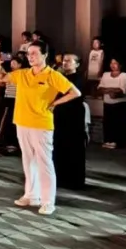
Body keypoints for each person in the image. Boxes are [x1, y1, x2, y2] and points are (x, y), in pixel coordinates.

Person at [0, 42, 81, 215]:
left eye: (34, 53)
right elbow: (1, 78)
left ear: (44, 55)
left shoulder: (53, 75)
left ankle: (48, 201)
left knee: (44, 162)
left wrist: (55, 103)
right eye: (28, 54)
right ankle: (31, 195)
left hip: (41, 123)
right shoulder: (23, 73)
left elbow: (75, 92)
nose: (30, 57)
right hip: (22, 121)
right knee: (28, 160)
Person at [53, 54, 88, 190]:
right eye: (64, 61)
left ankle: (75, 180)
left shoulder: (79, 78)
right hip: (59, 114)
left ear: (77, 64)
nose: (65, 63)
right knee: (58, 145)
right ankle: (59, 177)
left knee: (74, 146)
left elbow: (72, 93)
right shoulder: (59, 77)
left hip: (74, 115)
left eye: (68, 61)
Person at [97, 58, 126, 149]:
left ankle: (118, 143)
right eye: (111, 63)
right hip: (107, 103)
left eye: (115, 63)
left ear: (120, 65)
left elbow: (122, 90)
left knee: (119, 124)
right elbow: (100, 88)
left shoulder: (124, 75)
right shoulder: (105, 74)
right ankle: (108, 141)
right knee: (107, 123)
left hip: (121, 104)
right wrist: (112, 89)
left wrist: (107, 89)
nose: (113, 65)